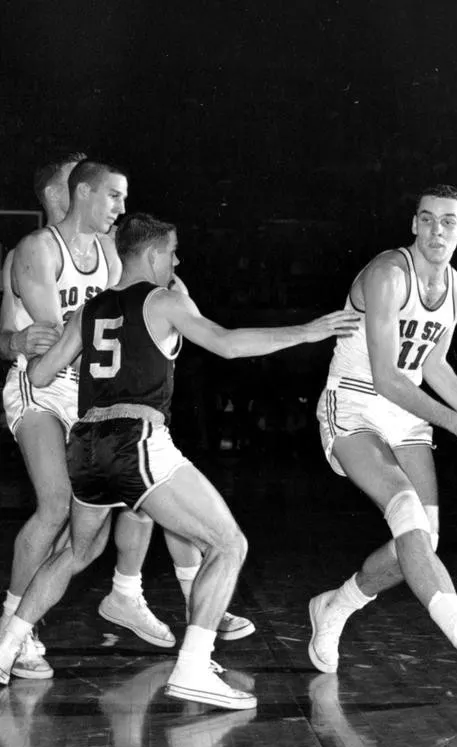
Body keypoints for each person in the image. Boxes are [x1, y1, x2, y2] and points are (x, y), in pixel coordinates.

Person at [0, 211, 359, 709]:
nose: (176, 260)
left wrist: (20, 344)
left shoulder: (88, 310)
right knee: (229, 543)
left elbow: (38, 379)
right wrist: (309, 330)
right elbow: (229, 345)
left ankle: (3, 647)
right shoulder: (163, 301)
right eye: (172, 253)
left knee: (76, 554)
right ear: (151, 256)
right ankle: (193, 667)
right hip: (135, 439)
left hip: (84, 445)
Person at [310, 184, 457, 688]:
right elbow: (386, 377)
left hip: (406, 415)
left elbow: (433, 363)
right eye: (427, 220)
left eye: (448, 222)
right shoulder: (387, 274)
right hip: (356, 400)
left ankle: (335, 606)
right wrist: (456, 425)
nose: (436, 230)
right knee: (404, 510)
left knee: (422, 541)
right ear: (414, 225)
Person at [0, 155, 180, 681]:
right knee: (55, 504)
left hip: (90, 392)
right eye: (112, 197)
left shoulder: (108, 249)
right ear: (74, 193)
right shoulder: (35, 249)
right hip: (40, 385)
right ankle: (14, 620)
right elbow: (60, 340)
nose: (121, 209)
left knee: (140, 490)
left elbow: (145, 293)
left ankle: (128, 592)